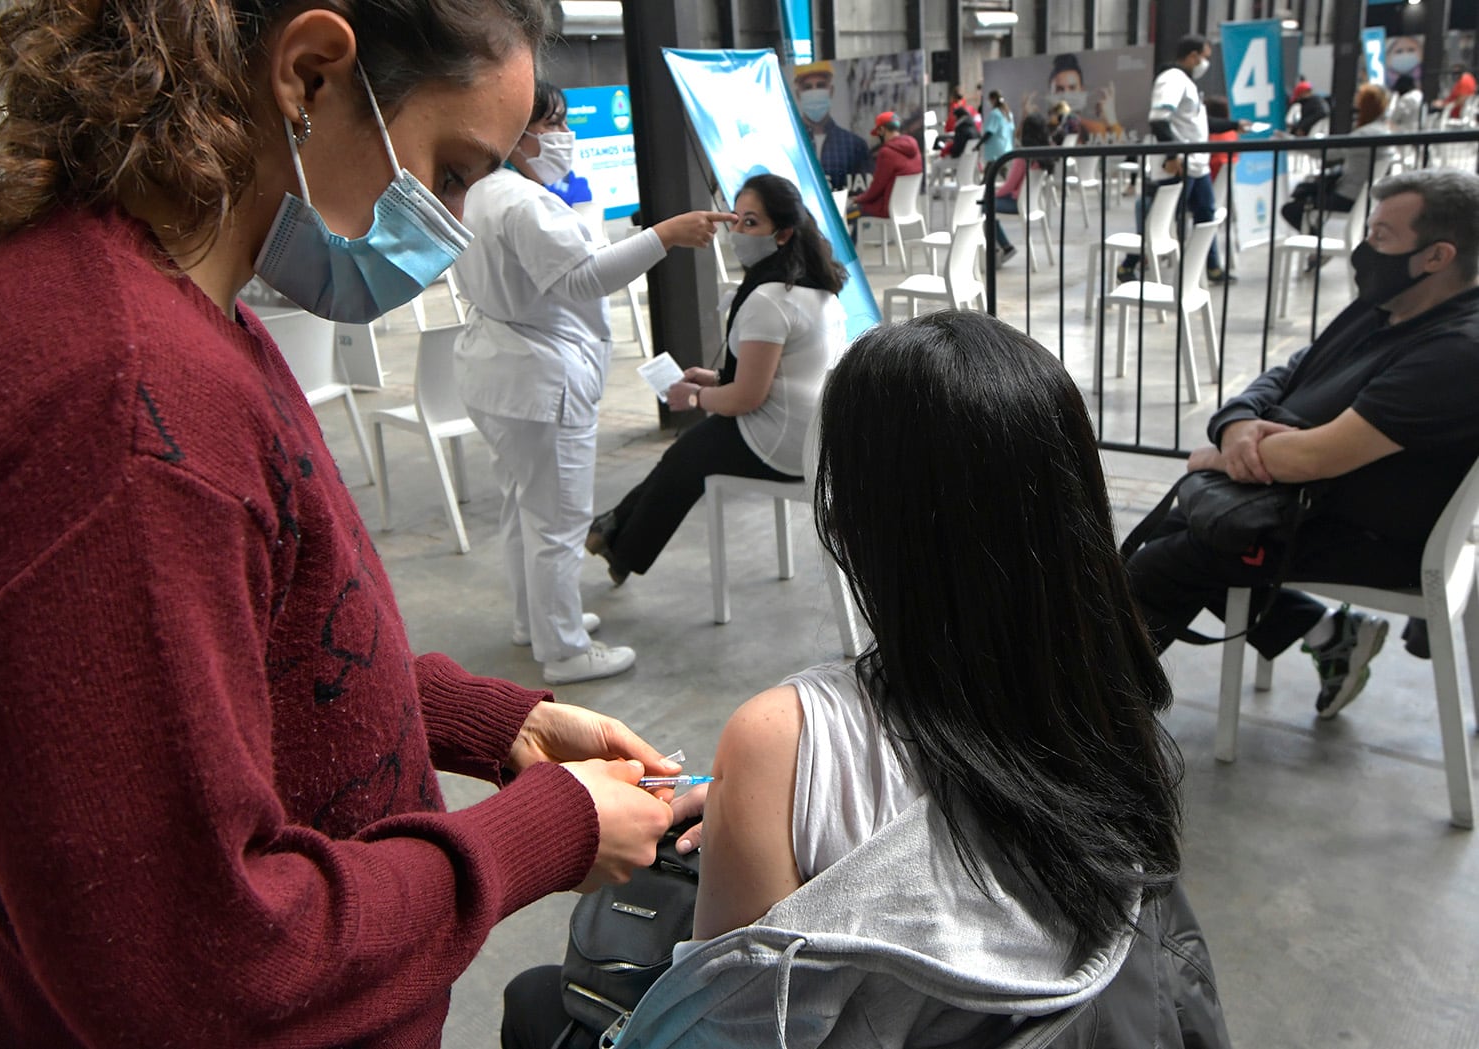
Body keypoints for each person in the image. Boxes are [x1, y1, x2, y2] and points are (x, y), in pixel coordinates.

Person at [0, 3, 701, 1045]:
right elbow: (199, 964)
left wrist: (478, 717)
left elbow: (230, 661)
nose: (452, 224)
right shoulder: (121, 412)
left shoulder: (165, 313)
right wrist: (550, 831)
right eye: (451, 171)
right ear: (312, 75)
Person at [608, 310, 1229, 1047]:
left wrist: (771, 790)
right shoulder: (1111, 708)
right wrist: (760, 805)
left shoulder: (780, 736)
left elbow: (728, 1026)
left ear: (856, 518)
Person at [1126, 169, 1479, 718]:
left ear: (1436, 256)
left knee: (1170, 561)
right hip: (1305, 502)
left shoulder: (1456, 352)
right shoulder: (1389, 303)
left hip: (1370, 535)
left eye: (1382, 237)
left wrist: (1219, 456)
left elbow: (1315, 457)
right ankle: (1329, 632)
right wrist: (1239, 423)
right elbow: (1290, 372)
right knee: (1185, 529)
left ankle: (1080, 732)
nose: (1363, 249)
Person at [453, 80, 732, 684]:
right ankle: (564, 649)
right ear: (511, 129)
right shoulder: (524, 203)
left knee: (524, 507)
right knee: (557, 521)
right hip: (538, 377)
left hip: (499, 373)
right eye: (549, 124)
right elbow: (581, 279)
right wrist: (666, 235)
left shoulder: (479, 193)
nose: (561, 136)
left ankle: (537, 620)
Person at [585, 173, 848, 584]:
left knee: (688, 456)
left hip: (783, 442)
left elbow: (746, 397)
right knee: (687, 454)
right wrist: (711, 379)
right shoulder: (818, 289)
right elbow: (778, 370)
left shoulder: (767, 298)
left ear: (782, 234)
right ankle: (616, 530)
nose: (736, 233)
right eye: (736, 220)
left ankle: (620, 544)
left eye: (750, 223)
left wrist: (693, 398)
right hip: (818, 437)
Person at [1119, 34, 1239, 286]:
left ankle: (1212, 268)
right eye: (1204, 57)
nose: (1206, 63)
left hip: (1197, 165)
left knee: (1206, 216)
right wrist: (1173, 155)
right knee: (1159, 222)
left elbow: (1199, 125)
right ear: (1193, 55)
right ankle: (1127, 265)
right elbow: (1159, 120)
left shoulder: (1188, 83)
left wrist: (1236, 124)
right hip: (1180, 166)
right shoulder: (1172, 79)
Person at [1281, 84, 1391, 241]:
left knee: (1292, 208)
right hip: (1363, 196)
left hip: (1348, 195)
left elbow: (1326, 153)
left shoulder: (1364, 134)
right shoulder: (1383, 131)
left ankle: (1317, 243)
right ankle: (1317, 242)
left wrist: (1291, 141)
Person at [792, 60, 873, 193]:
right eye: (807, 87)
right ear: (798, 94)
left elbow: (864, 192)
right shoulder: (790, 143)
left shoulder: (855, 145)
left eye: (820, 85)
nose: (814, 92)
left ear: (831, 91)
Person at [988, 112, 1053, 265]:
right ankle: (1001, 248)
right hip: (1033, 204)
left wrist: (993, 194)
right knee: (987, 204)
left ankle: (1002, 248)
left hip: (1019, 204)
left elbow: (1009, 186)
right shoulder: (1044, 156)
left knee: (984, 206)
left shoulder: (1022, 157)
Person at [852, 110, 922, 220]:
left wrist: (858, 199)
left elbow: (876, 189)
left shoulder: (886, 152)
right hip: (908, 208)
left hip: (887, 209)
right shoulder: (914, 145)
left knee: (845, 214)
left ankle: (849, 238)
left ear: (882, 129)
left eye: (878, 132)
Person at [980, 89, 1015, 179]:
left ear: (993, 99)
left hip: (995, 151)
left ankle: (983, 192)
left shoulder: (995, 114)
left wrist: (978, 144)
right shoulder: (1008, 113)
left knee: (987, 177)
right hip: (1005, 148)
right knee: (1003, 173)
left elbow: (990, 132)